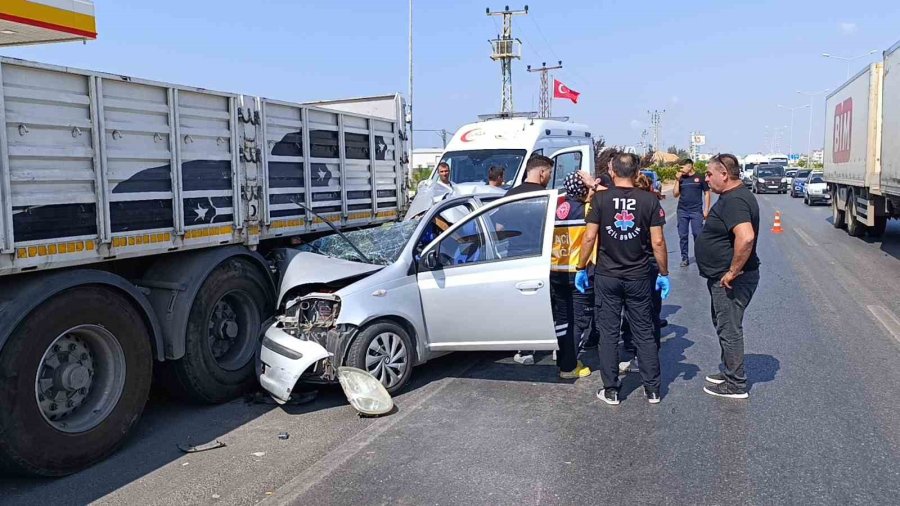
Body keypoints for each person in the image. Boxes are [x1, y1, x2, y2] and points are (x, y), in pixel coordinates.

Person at [576, 153, 670, 405]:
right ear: (637, 172)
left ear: (612, 172)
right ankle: (652, 389)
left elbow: (589, 237)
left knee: (608, 333)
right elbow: (658, 241)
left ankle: (611, 390)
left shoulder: (601, 199)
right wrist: (663, 273)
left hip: (607, 275)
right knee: (644, 331)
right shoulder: (649, 200)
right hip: (639, 275)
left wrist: (581, 267)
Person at [695, 153, 760, 399]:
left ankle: (736, 384)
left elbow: (746, 237)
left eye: (709, 173)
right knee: (723, 324)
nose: (706, 178)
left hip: (733, 280)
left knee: (729, 328)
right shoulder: (732, 197)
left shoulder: (735, 200)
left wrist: (732, 272)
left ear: (724, 174)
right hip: (723, 277)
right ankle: (729, 371)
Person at [548, 171, 598, 379]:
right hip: (578, 273)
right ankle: (569, 367)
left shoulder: (555, 210)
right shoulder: (586, 210)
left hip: (556, 272)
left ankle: (562, 359)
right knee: (579, 321)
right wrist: (594, 187)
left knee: (562, 319)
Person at [506, 155, 554, 365]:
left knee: (522, 305)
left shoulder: (511, 195)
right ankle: (555, 347)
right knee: (549, 302)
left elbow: (498, 226)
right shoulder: (547, 197)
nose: (549, 177)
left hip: (516, 256)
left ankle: (525, 350)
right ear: (541, 172)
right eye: (549, 173)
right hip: (543, 256)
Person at [618, 171, 667, 374]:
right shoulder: (653, 205)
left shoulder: (634, 207)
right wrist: (664, 272)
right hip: (652, 264)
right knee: (652, 312)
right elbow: (659, 241)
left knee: (637, 313)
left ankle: (641, 356)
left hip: (638, 265)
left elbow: (656, 241)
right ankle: (649, 353)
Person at [673, 158, 711, 267]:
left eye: (682, 167)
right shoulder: (681, 178)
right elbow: (675, 194)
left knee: (697, 234)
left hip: (696, 211)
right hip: (682, 211)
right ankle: (684, 258)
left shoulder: (700, 177)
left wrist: (706, 210)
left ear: (689, 166)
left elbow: (707, 193)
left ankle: (699, 256)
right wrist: (677, 180)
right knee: (683, 235)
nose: (681, 169)